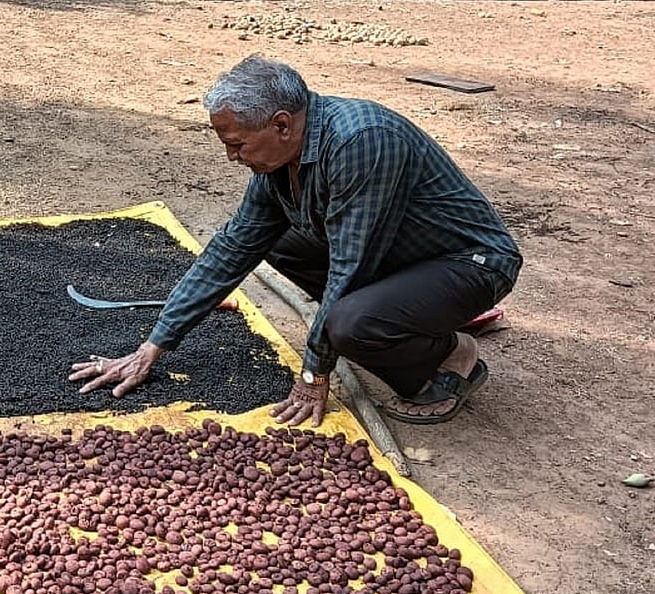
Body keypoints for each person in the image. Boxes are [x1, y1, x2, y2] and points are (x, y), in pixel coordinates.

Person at [69, 55, 521, 426]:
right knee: (281, 242)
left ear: (281, 125)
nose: (232, 157)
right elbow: (232, 248)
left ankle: (451, 355)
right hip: (402, 255)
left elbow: (351, 266)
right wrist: (154, 345)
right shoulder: (282, 162)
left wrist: (313, 372)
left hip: (471, 263)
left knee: (350, 325)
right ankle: (396, 320)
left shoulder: (360, 141)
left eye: (238, 144)